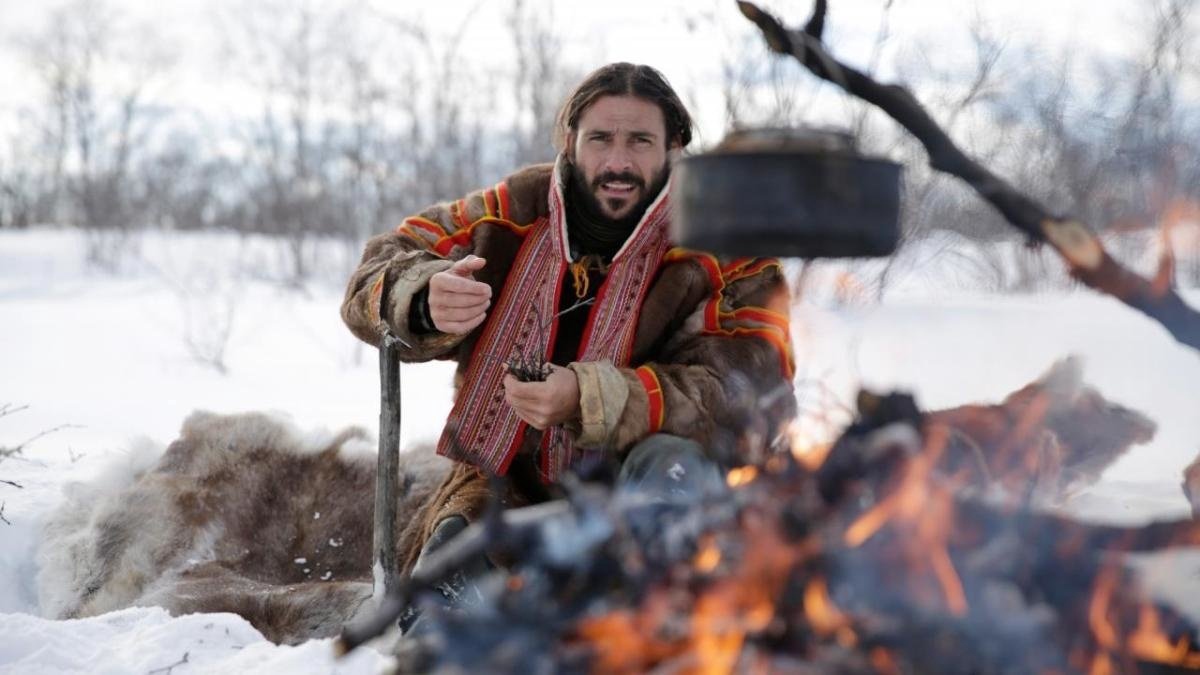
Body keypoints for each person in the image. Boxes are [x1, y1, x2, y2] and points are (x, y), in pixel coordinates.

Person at [341, 63, 796, 584]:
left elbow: (753, 394)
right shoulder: (510, 212)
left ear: (674, 147)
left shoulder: (730, 248)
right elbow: (375, 271)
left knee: (670, 477)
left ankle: (658, 621)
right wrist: (423, 296)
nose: (618, 162)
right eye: (601, 138)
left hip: (651, 481)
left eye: (641, 141)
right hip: (507, 477)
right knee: (447, 591)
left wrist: (590, 398)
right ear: (569, 139)